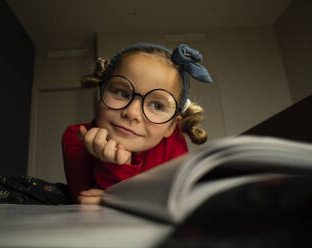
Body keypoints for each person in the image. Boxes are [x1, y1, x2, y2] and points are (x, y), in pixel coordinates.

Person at [62, 43, 212, 204]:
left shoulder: (173, 143)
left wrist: (119, 198)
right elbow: (84, 200)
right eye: (122, 93)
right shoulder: (76, 137)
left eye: (157, 105)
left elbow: (176, 199)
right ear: (102, 90)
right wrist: (115, 167)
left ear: (171, 126)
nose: (132, 113)